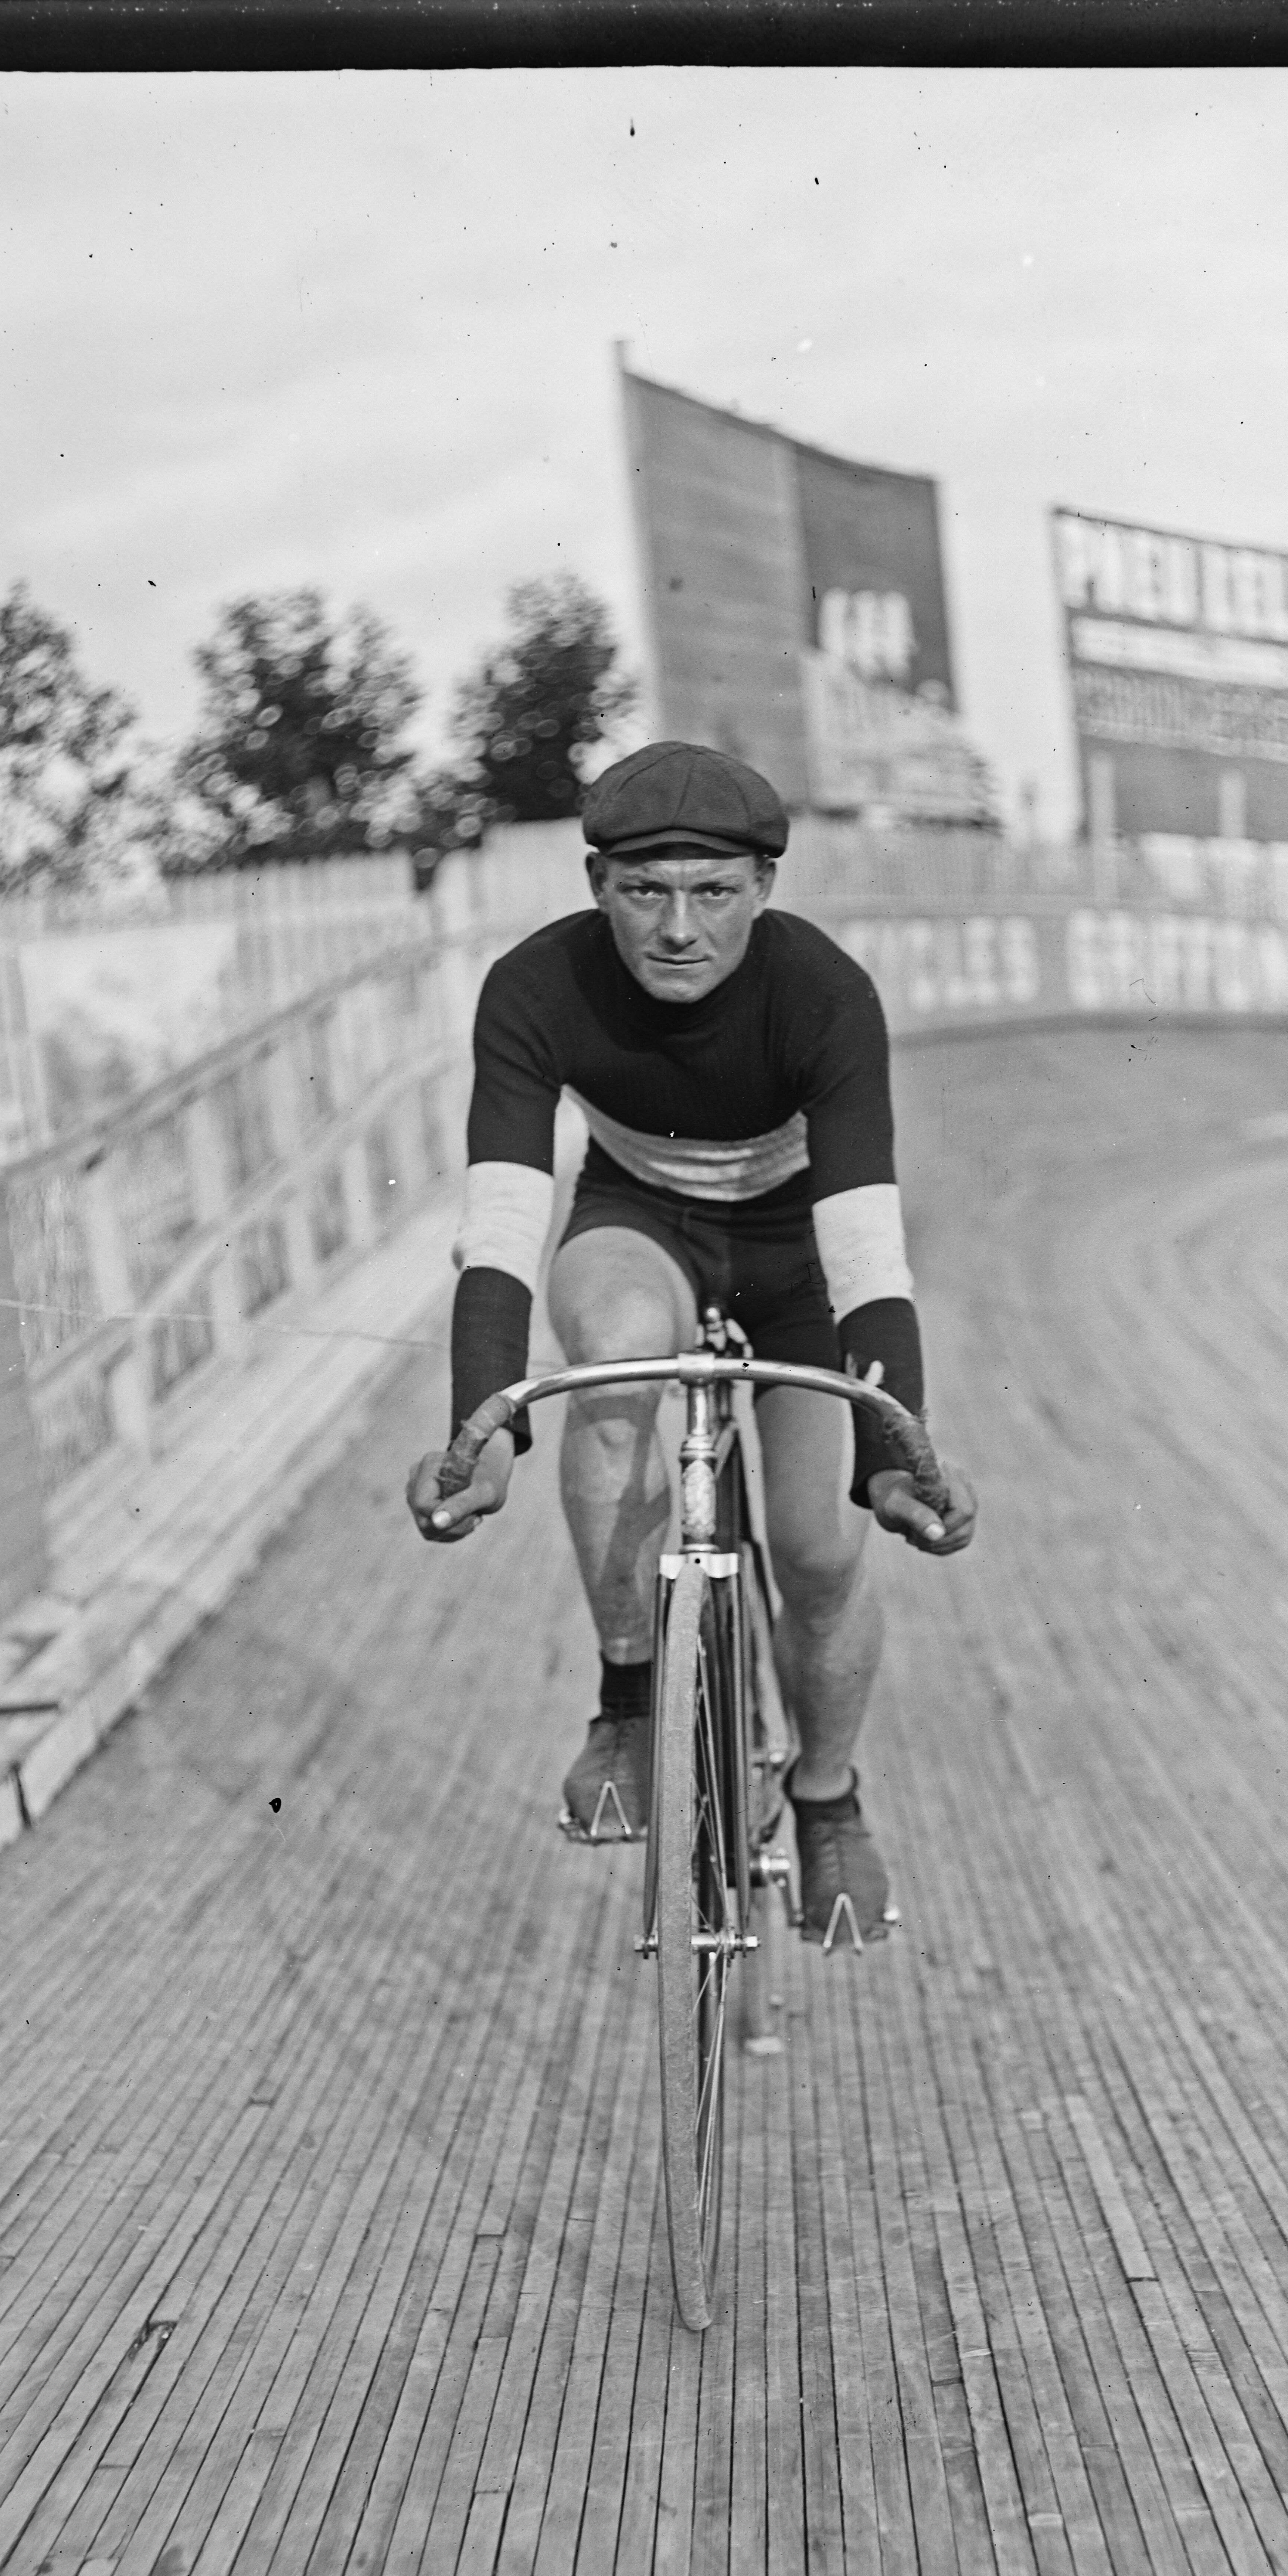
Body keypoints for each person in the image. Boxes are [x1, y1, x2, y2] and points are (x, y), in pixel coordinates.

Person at [407, 738, 977, 1947]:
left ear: (765, 889)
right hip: (640, 1224)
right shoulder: (534, 986)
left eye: (713, 892)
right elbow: (503, 1225)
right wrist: (488, 1421)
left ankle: (826, 1800)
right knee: (609, 1365)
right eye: (645, 891)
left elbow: (867, 1254)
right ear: (595, 883)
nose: (679, 928)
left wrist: (894, 1454)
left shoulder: (825, 994)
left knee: (822, 1550)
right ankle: (628, 1693)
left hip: (797, 1259)